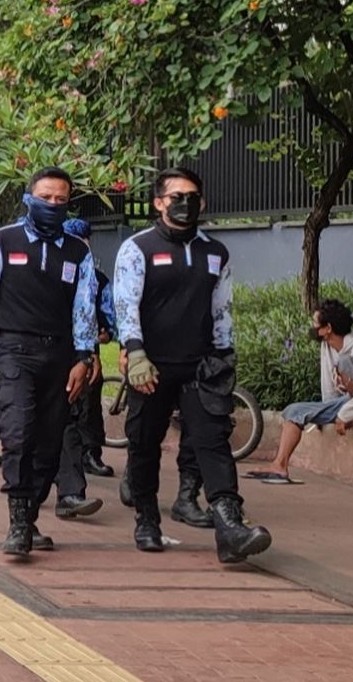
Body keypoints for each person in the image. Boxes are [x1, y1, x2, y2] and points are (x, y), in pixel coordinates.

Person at [114, 167, 271, 559]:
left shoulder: (215, 252)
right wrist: (135, 353)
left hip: (200, 367)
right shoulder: (138, 248)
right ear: (158, 203)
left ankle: (230, 528)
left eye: (192, 196)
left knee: (212, 442)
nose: (186, 203)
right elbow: (125, 305)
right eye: (176, 197)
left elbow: (223, 310)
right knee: (144, 444)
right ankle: (147, 520)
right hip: (151, 367)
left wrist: (223, 355)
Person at [0, 167, 99, 556]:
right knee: (18, 432)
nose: (53, 205)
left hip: (60, 356)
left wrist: (83, 357)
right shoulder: (4, 241)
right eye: (46, 198)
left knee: (49, 442)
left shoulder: (78, 251)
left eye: (60, 200)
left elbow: (84, 308)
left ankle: (31, 511)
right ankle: (18, 519)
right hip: (10, 351)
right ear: (29, 198)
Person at [249, 299, 353, 484]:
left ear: (327, 327)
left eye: (315, 324)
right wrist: (324, 414)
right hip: (351, 403)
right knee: (294, 412)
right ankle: (279, 466)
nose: (313, 328)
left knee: (345, 362)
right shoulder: (327, 346)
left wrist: (346, 414)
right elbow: (328, 385)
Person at [52, 218, 115, 520]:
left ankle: (72, 491)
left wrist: (90, 352)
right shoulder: (41, 268)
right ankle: (28, 490)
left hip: (78, 354)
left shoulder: (94, 275)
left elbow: (98, 312)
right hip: (33, 356)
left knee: (77, 416)